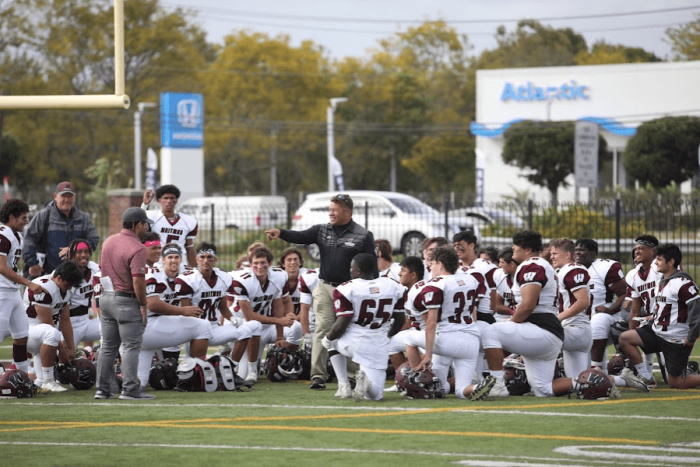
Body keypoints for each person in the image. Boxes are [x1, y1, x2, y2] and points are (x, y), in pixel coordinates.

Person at [265, 193, 376, 390]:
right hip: (325, 287)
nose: (330, 213)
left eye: (335, 210)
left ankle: (351, 375)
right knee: (323, 328)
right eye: (330, 209)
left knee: (349, 330)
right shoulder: (321, 230)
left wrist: (369, 290)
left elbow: (371, 267)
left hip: (350, 290)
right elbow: (300, 236)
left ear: (347, 211)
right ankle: (318, 375)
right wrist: (280, 232)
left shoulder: (363, 235)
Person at [472, 230, 565, 399]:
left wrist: (513, 321)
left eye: (516, 245)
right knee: (543, 389)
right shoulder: (538, 265)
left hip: (542, 330)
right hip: (546, 333)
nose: (513, 248)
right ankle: (590, 381)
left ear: (528, 249)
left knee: (490, 331)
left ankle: (497, 384)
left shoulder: (532, 265)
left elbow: (528, 305)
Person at [322, 253, 406, 401]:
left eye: (351, 268)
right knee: (375, 395)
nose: (350, 271)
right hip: (378, 338)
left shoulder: (346, 288)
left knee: (331, 342)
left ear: (358, 270)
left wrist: (328, 338)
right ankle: (363, 383)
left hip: (354, 339)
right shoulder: (392, 285)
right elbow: (400, 320)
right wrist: (388, 336)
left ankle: (344, 385)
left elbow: (342, 322)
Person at [404, 246, 484, 399]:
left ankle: (416, 379)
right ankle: (476, 387)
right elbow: (473, 312)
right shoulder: (469, 279)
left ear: (440, 264)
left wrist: (428, 354)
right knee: (461, 391)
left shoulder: (436, 285)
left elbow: (431, 323)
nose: (430, 267)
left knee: (408, 337)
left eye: (432, 263)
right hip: (472, 339)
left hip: (448, 339)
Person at [619, 244, 700, 390]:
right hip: (657, 332)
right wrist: (653, 317)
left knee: (676, 383)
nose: (655, 262)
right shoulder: (661, 282)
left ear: (671, 262)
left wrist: (692, 335)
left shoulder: (683, 284)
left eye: (659, 259)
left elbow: (696, 309)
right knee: (625, 337)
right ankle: (646, 377)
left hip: (675, 338)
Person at [95, 207, 154, 400]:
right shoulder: (138, 248)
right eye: (144, 223)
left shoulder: (109, 240)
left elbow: (102, 270)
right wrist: (143, 303)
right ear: (137, 225)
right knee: (130, 346)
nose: (146, 227)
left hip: (106, 297)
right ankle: (129, 389)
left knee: (108, 347)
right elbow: (138, 280)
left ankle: (102, 389)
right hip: (126, 300)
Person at [136, 243, 213, 392]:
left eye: (176, 257)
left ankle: (117, 379)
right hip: (150, 324)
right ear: (162, 260)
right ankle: (195, 374)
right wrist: (182, 311)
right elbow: (153, 305)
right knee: (203, 326)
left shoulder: (189, 274)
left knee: (140, 383)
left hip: (148, 327)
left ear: (181, 259)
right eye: (169, 257)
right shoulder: (154, 273)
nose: (173, 260)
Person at [228, 245, 297, 385]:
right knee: (243, 374)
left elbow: (278, 306)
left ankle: (286, 361)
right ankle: (237, 364)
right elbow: (249, 317)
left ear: (270, 263)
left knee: (297, 327)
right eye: (256, 263)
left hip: (264, 325)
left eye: (263, 263)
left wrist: (279, 336)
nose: (259, 266)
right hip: (239, 325)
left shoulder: (278, 276)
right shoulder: (243, 280)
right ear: (251, 265)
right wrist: (279, 320)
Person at [0, 199, 48, 374]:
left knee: (21, 335)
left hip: (12, 291)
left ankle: (22, 375)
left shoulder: (15, 235)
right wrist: (28, 282)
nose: (26, 221)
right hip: (2, 291)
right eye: (23, 218)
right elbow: (2, 267)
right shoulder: (3, 234)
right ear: (11, 217)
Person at [24, 261, 84, 393]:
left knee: (54, 335)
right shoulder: (43, 287)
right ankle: (48, 380)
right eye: (66, 285)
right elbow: (47, 324)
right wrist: (62, 350)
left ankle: (41, 381)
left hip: (44, 332)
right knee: (53, 334)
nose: (68, 288)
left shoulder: (67, 288)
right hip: (28, 332)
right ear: (58, 278)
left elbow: (65, 320)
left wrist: (71, 348)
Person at [23, 181, 99, 277]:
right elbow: (29, 239)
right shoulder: (44, 216)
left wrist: (75, 249)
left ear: (74, 197)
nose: (66, 200)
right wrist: (32, 263)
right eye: (63, 196)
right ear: (55, 196)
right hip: (48, 275)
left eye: (70, 196)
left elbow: (94, 239)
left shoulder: (83, 219)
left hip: (75, 276)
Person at [574, 238, 627, 373]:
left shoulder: (604, 268)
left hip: (609, 315)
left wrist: (610, 310)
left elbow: (624, 293)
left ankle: (596, 367)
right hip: (583, 318)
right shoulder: (571, 270)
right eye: (576, 250)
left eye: (582, 250)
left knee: (598, 320)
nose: (578, 253)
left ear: (592, 253)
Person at [549, 238, 592, 378]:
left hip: (576, 328)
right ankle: (622, 380)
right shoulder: (561, 271)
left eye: (555, 253)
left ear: (567, 254)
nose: (551, 257)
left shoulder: (573, 270)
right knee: (580, 382)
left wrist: (556, 319)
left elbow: (583, 301)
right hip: (570, 328)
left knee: (539, 340)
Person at [142, 185, 198, 266]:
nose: (169, 201)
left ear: (176, 200)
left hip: (180, 265)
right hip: (158, 265)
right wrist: (145, 204)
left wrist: (195, 271)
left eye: (172, 198)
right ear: (159, 200)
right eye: (166, 198)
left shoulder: (188, 221)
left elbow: (189, 247)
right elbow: (137, 222)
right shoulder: (152, 217)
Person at [65, 239, 101, 352]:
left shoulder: (95, 268)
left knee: (116, 328)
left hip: (86, 320)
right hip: (70, 324)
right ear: (72, 255)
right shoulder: (65, 272)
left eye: (86, 252)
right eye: (79, 252)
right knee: (65, 359)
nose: (83, 255)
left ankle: (105, 357)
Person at [493, 248, 518, 322]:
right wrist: (512, 312)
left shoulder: (525, 278)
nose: (500, 265)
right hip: (504, 317)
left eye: (502, 262)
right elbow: (498, 306)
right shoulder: (499, 275)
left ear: (512, 264)